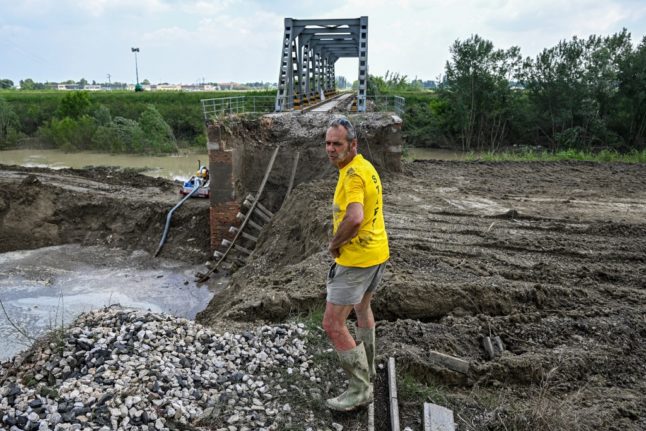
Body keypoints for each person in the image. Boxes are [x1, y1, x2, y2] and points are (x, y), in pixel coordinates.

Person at [322, 116, 389, 411]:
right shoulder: (364, 166)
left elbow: (355, 217)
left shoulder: (352, 177)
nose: (331, 149)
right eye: (327, 143)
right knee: (362, 308)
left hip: (357, 260)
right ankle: (369, 369)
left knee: (333, 324)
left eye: (337, 144)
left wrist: (334, 244)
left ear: (353, 144)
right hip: (376, 254)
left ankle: (360, 389)